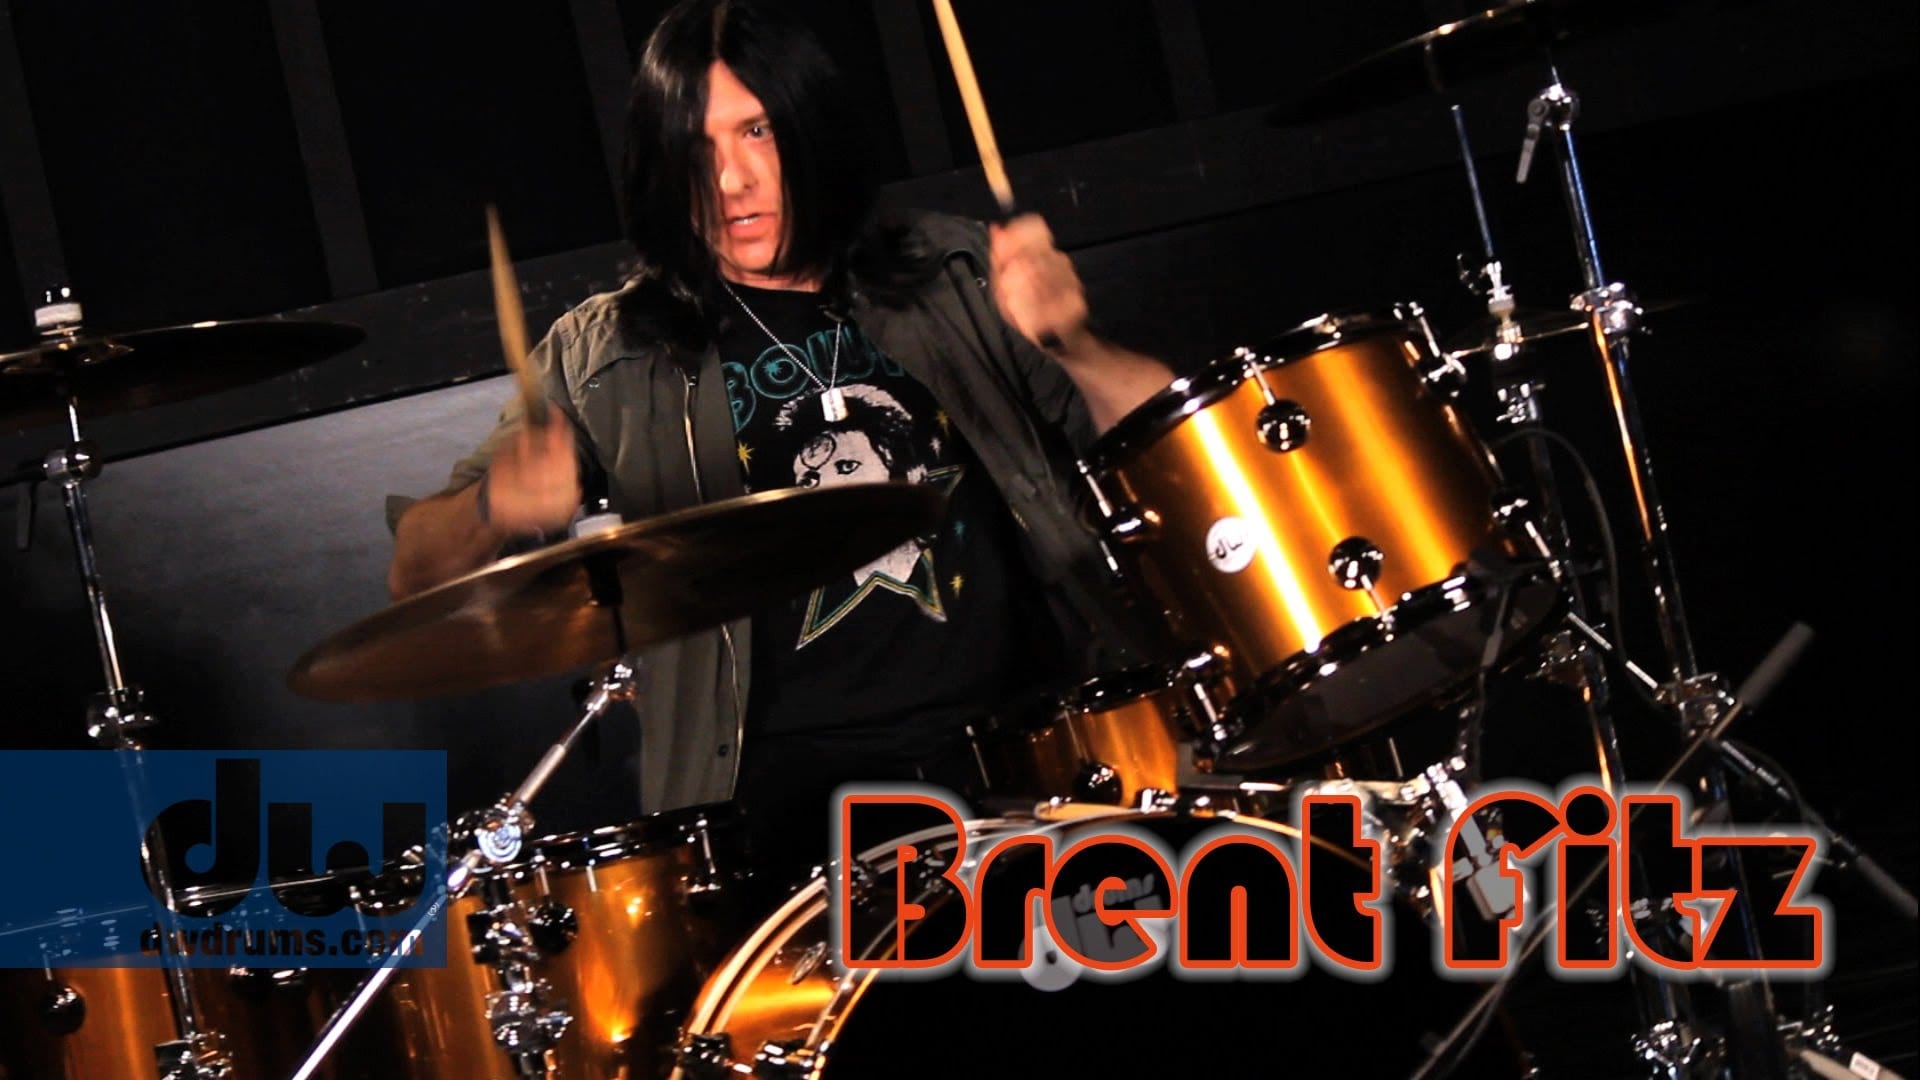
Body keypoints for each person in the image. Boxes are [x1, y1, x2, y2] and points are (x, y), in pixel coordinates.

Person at [387, 0, 1175, 902]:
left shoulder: (952, 270)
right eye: (695, 147)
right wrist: (494, 505)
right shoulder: (604, 352)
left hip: (1030, 754)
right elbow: (417, 573)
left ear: (808, 127)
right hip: (788, 815)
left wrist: (1076, 343)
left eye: (756, 130)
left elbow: (1170, 443)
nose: (729, 180)